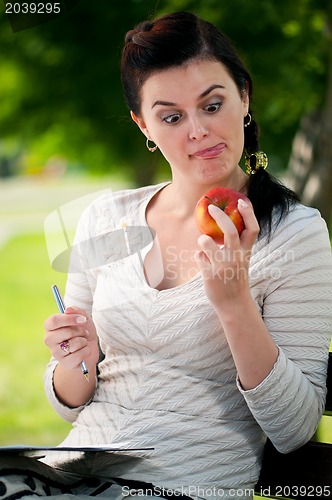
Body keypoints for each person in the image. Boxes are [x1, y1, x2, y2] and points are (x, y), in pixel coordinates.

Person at [1, 10, 332, 500]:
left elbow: (295, 429)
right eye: (172, 116)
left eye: (213, 104)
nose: (198, 130)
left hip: (184, 485)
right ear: (144, 126)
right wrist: (78, 359)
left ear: (244, 96)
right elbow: (72, 403)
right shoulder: (106, 218)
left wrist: (235, 303)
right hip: (70, 475)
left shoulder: (294, 233)